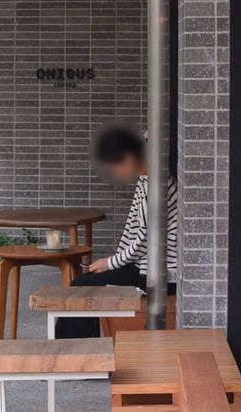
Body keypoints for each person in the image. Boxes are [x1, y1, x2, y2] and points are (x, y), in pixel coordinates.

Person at [55, 124, 178, 339]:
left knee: (81, 287)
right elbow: (133, 226)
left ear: (129, 158)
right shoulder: (147, 178)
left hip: (158, 274)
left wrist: (112, 262)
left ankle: (73, 353)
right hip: (144, 266)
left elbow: (146, 240)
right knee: (84, 282)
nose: (115, 173)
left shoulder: (156, 186)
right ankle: (79, 351)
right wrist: (117, 259)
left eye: (114, 167)